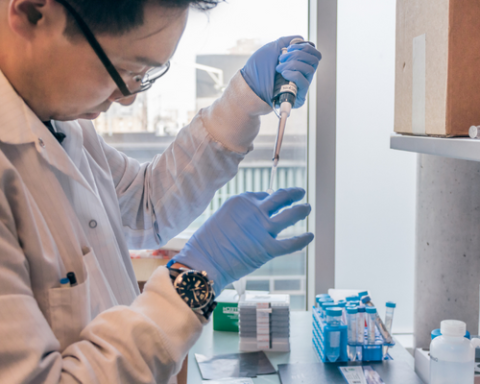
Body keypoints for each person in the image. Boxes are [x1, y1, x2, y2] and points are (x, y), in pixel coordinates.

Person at [0, 0, 321, 382]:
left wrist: (243, 100)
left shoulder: (64, 122)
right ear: (33, 12)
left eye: (145, 75)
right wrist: (195, 278)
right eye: (124, 70)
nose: (130, 97)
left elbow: (145, 203)